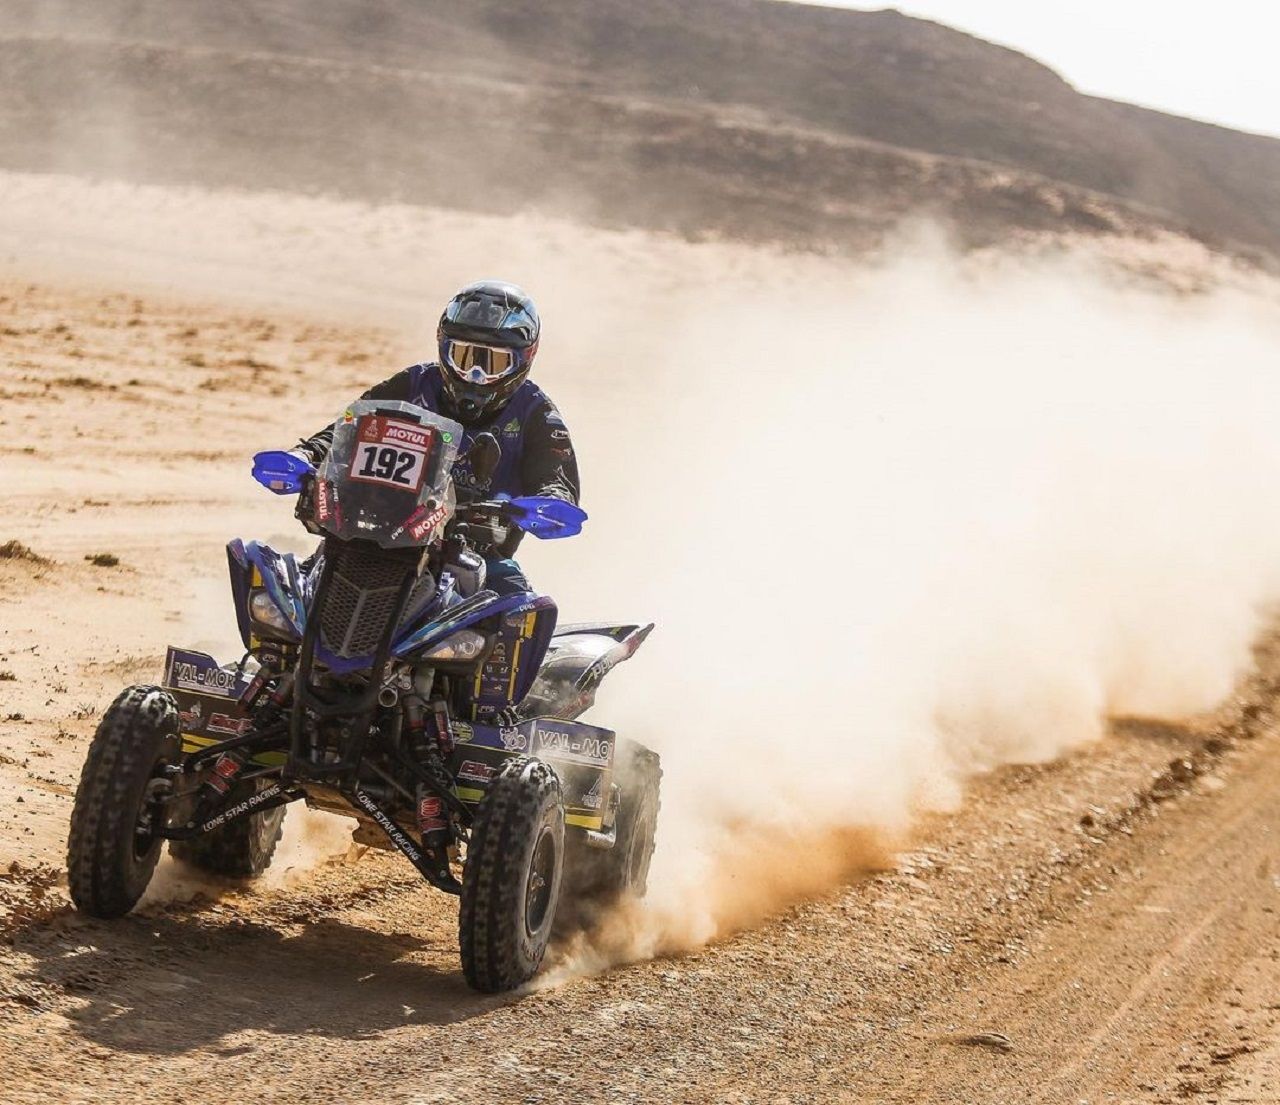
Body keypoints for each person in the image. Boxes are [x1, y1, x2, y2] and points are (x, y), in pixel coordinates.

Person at [291, 280, 579, 595]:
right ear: (443, 347)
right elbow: (349, 427)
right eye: (463, 356)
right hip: (374, 535)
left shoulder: (536, 412)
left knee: (524, 605)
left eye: (494, 362)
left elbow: (557, 475)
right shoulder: (412, 384)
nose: (476, 374)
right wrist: (306, 454)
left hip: (477, 555)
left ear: (524, 359)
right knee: (290, 587)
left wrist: (552, 500)